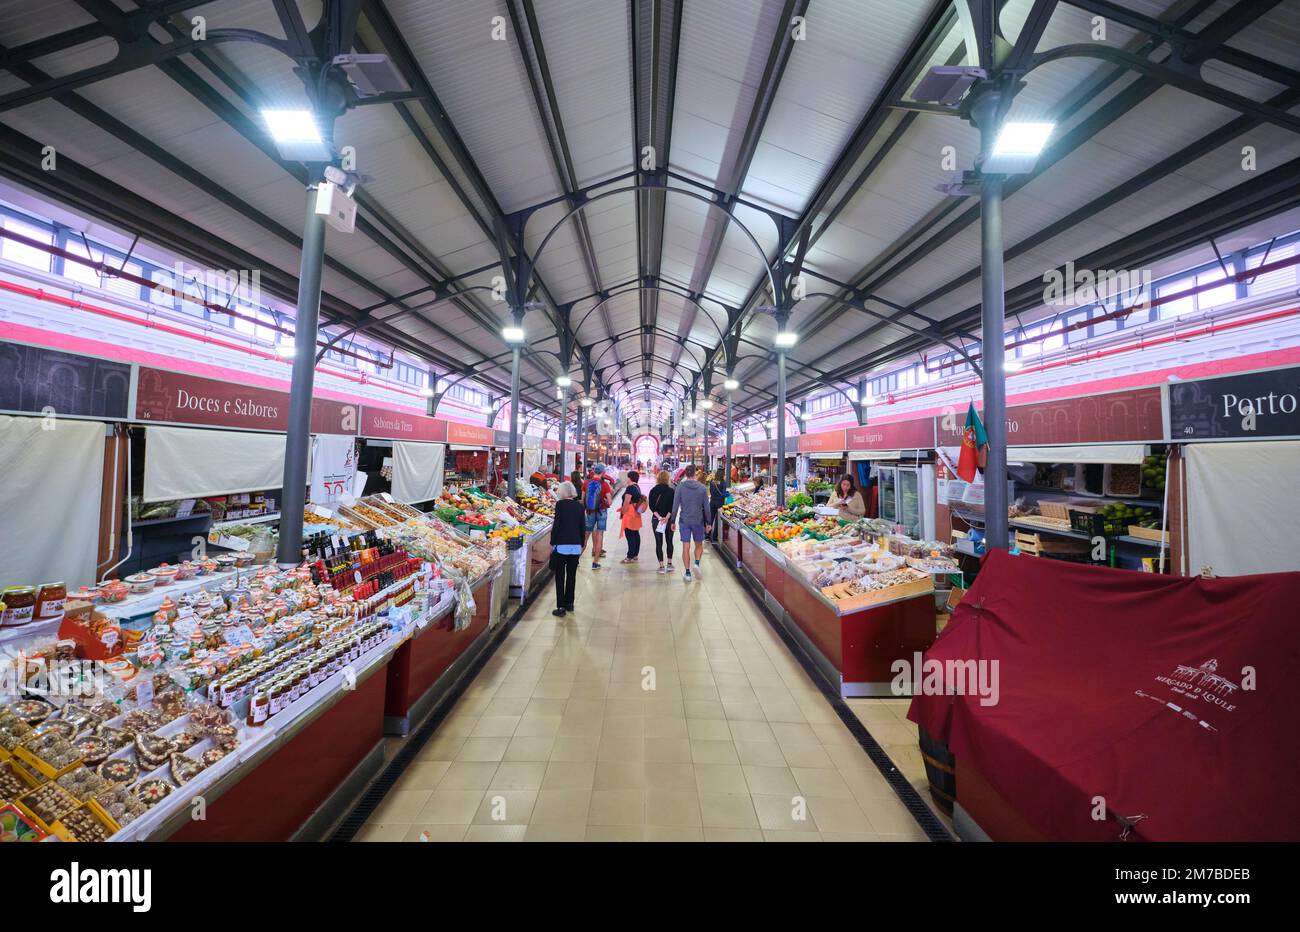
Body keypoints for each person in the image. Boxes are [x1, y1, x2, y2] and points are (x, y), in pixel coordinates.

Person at [670, 464, 711, 582]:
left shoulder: (680, 487)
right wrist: (708, 522)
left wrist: (673, 520)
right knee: (699, 545)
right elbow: (706, 508)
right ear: (695, 473)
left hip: (684, 520)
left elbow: (675, 505)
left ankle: (687, 573)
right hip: (698, 520)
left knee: (685, 547)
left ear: (685, 474)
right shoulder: (702, 488)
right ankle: (696, 563)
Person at [549, 481, 584, 617]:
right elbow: (582, 526)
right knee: (571, 576)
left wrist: (552, 542)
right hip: (575, 546)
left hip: (562, 545)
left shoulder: (560, 505)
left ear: (562, 492)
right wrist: (581, 543)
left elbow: (556, 525)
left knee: (560, 576)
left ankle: (560, 606)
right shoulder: (579, 506)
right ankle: (570, 603)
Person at [582, 464, 614, 569]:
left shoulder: (586, 483)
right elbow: (610, 502)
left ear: (594, 471)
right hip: (602, 512)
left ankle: (576, 559)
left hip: (590, 512)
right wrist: (604, 501)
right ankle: (595, 563)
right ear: (603, 473)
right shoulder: (604, 485)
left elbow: (583, 500)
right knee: (599, 536)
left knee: (585, 537)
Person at [648, 470, 675, 574]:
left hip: (656, 520)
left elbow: (651, 506)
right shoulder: (671, 491)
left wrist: (659, 517)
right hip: (668, 520)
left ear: (658, 478)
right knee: (670, 541)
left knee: (658, 542)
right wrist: (667, 517)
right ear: (667, 478)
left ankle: (661, 566)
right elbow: (673, 506)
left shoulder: (653, 490)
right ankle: (669, 564)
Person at [619, 471, 646, 563]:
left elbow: (626, 502)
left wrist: (623, 513)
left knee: (630, 534)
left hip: (630, 514)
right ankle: (635, 555)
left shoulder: (630, 488)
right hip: (636, 513)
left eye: (627, 477)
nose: (626, 479)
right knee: (635, 533)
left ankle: (629, 556)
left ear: (630, 478)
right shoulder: (636, 487)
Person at [707, 471, 727, 542]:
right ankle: (715, 537)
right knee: (718, 520)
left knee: (710, 519)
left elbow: (710, 491)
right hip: (720, 503)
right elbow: (724, 494)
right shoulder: (723, 483)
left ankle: (707, 535)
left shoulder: (712, 482)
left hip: (712, 502)